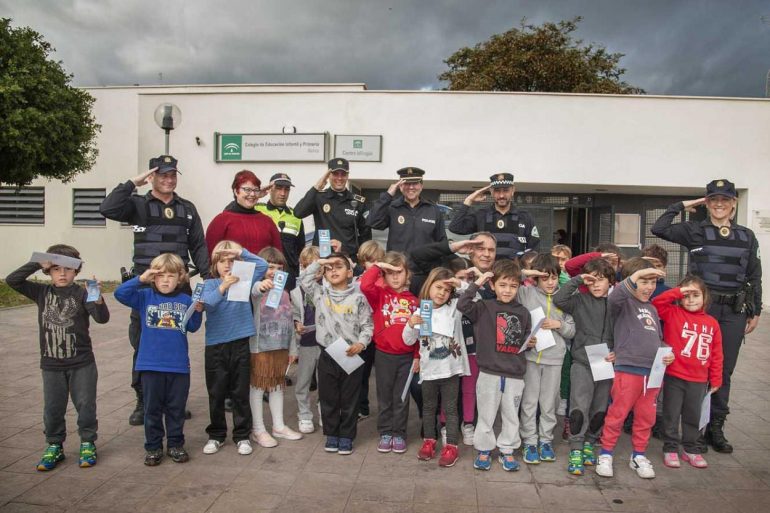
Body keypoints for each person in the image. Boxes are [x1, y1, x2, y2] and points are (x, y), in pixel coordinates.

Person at [651, 179, 762, 453]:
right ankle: (674, 424)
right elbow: (659, 227)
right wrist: (684, 204)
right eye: (714, 199)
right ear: (707, 203)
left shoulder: (747, 236)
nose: (720, 204)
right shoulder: (695, 230)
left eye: (725, 199)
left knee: (722, 370)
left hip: (733, 312)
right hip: (699, 310)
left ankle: (715, 428)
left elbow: (755, 275)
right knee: (686, 365)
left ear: (734, 203)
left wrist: (755, 310)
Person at [100, 155, 210, 426]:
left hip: (179, 286)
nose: (169, 180)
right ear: (152, 177)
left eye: (173, 175)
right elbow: (108, 208)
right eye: (162, 175)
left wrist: (208, 278)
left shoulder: (187, 208)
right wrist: (132, 183)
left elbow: (198, 245)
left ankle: (174, 400)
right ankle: (143, 400)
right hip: (147, 285)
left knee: (176, 340)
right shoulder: (137, 204)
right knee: (142, 343)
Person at [6, 245, 110, 471]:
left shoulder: (83, 293)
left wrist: (97, 298)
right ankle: (54, 445)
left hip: (82, 362)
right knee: (53, 408)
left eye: (68, 269)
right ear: (48, 271)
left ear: (76, 270)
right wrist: (37, 263)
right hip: (51, 364)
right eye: (55, 269)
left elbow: (102, 318)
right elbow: (12, 280)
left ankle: (87, 442)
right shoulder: (41, 293)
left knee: (85, 405)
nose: (62, 274)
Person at [114, 253, 203, 466]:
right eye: (160, 275)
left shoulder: (185, 300)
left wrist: (198, 311)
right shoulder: (144, 297)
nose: (165, 280)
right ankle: (153, 447)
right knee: (152, 410)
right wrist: (140, 279)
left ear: (180, 278)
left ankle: (175, 444)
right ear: (153, 277)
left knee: (176, 409)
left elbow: (192, 327)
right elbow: (119, 294)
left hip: (178, 367)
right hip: (150, 365)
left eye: (170, 276)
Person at [595, 258, 673, 480]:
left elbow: (657, 339)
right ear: (631, 281)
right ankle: (606, 453)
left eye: (653, 282)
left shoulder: (652, 308)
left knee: (646, 418)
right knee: (617, 414)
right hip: (627, 370)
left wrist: (668, 352)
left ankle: (638, 455)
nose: (649, 287)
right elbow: (618, 293)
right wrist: (640, 272)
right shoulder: (621, 302)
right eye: (644, 281)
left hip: (652, 374)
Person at [457, 259, 534, 472]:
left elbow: (524, 339)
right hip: (489, 373)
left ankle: (507, 450)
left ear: (519, 287)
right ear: (492, 285)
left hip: (514, 375)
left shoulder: (523, 312)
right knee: (486, 415)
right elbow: (462, 305)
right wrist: (479, 281)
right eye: (502, 285)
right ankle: (484, 449)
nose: (507, 290)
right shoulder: (483, 308)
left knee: (511, 415)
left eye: (513, 286)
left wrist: (530, 342)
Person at [299, 252, 374, 455]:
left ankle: (347, 436)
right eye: (329, 268)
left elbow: (368, 326)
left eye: (339, 266)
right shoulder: (320, 294)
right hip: (328, 355)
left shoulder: (358, 298)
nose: (333, 270)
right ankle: (332, 434)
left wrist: (361, 344)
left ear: (350, 272)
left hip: (351, 355)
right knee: (328, 397)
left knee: (350, 399)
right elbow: (304, 279)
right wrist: (320, 262)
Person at [200, 241, 268, 456]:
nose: (227, 265)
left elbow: (263, 265)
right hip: (215, 345)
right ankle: (216, 435)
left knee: (240, 392)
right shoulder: (208, 284)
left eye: (232, 260)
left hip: (240, 342)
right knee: (216, 392)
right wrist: (223, 286)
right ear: (214, 264)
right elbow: (207, 305)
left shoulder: (245, 280)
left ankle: (242, 435)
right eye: (222, 261)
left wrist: (242, 252)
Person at [553, 258, 615, 476]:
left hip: (606, 364)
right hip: (582, 363)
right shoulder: (579, 300)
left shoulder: (616, 303)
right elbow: (559, 299)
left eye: (601, 280)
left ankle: (590, 442)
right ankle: (576, 448)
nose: (596, 285)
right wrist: (578, 279)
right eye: (592, 281)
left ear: (610, 281)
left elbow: (625, 331)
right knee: (579, 408)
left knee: (599, 408)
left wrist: (618, 352)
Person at [652, 276, 723, 469]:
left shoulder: (712, 323)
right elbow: (657, 303)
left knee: (694, 416)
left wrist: (716, 378)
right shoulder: (672, 313)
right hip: (674, 376)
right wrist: (677, 292)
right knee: (671, 414)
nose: (691, 299)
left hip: (699, 380)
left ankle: (691, 449)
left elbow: (716, 354)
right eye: (686, 295)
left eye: (695, 295)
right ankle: (670, 448)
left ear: (705, 297)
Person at [404, 267, 470, 467]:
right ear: (428, 286)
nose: (442, 292)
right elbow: (408, 341)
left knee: (450, 409)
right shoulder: (419, 311)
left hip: (450, 370)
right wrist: (410, 325)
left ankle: (451, 445)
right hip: (428, 371)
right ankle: (429, 441)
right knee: (429, 408)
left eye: (446, 290)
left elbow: (473, 297)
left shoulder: (455, 308)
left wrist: (460, 284)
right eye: (438, 287)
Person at [518, 255, 576, 465]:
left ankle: (545, 441)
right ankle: (530, 441)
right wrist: (529, 273)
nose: (550, 282)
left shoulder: (565, 299)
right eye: (545, 278)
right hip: (531, 358)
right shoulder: (526, 293)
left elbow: (572, 329)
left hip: (555, 359)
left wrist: (559, 325)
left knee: (549, 403)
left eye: (554, 277)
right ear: (536, 279)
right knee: (529, 402)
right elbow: (508, 277)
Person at [360, 252, 419, 454]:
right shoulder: (379, 295)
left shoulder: (414, 301)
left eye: (399, 272)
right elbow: (365, 285)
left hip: (407, 356)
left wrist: (418, 356)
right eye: (390, 273)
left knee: (401, 397)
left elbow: (421, 334)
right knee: (385, 396)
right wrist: (379, 266)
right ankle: (385, 432)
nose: (395, 277)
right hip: (384, 355)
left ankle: (399, 433)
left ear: (407, 274)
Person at [249, 247, 302, 447]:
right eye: (269, 267)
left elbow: (288, 321)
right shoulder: (255, 289)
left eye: (278, 268)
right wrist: (260, 285)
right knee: (257, 386)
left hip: (281, 346)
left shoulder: (285, 293)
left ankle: (278, 426)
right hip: (259, 346)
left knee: (277, 385)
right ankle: (258, 429)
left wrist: (292, 349)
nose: (273, 271)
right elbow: (254, 291)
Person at [294, 158, 371, 259]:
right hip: (322, 259)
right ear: (328, 175)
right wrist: (316, 187)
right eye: (335, 174)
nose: (339, 178)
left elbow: (365, 236)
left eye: (343, 174)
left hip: (347, 259)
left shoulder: (358, 202)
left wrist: (358, 258)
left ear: (347, 176)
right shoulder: (319, 197)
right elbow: (298, 212)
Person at [448, 173, 540, 259]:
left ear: (513, 191)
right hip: (486, 272)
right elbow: (455, 227)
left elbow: (534, 249)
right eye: (497, 191)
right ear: (491, 192)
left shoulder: (525, 216)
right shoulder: (481, 214)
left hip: (514, 273)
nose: (501, 195)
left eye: (506, 190)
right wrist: (468, 201)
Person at [367, 167, 447, 253]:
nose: (411, 187)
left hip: (426, 265)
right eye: (407, 183)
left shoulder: (433, 209)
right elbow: (372, 222)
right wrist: (388, 195)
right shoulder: (392, 207)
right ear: (400, 186)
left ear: (421, 186)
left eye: (415, 183)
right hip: (397, 265)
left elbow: (442, 241)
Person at [205, 170, 282, 257]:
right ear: (236, 191)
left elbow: (278, 255)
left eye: (256, 190)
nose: (252, 194)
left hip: (262, 270)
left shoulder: (267, 222)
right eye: (247, 190)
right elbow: (210, 254)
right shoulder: (221, 220)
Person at [354, 240, 386, 420]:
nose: (373, 264)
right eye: (369, 261)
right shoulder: (357, 280)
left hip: (378, 332)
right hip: (362, 333)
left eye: (377, 260)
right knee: (361, 373)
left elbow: (368, 288)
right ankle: (362, 406)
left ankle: (385, 411)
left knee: (383, 377)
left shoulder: (382, 281)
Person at [292, 246, 322, 434]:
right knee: (303, 381)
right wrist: (297, 324)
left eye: (317, 267)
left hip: (324, 343)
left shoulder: (327, 288)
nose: (314, 271)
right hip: (306, 342)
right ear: (303, 267)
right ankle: (304, 414)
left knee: (325, 382)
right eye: (308, 266)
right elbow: (294, 314)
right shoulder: (296, 292)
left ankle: (324, 410)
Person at [255, 173, 305, 282]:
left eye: (286, 189)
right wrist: (256, 195)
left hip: (288, 276)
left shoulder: (296, 215)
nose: (283, 193)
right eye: (278, 188)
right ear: (269, 189)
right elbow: (231, 211)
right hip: (261, 275)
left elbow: (301, 249)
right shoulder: (256, 209)